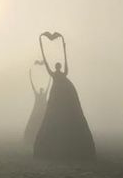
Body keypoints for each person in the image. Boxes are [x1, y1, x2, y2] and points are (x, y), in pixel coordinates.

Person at [33, 33, 95, 161]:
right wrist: (44, 54)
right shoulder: (56, 75)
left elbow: (64, 66)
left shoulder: (59, 75)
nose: (57, 67)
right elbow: (48, 66)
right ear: (57, 67)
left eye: (58, 66)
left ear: (59, 67)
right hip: (56, 100)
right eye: (57, 66)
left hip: (63, 100)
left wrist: (65, 50)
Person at [23, 69, 49, 148]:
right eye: (41, 90)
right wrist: (30, 77)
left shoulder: (44, 95)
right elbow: (33, 87)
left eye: (42, 90)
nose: (41, 91)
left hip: (42, 113)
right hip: (38, 112)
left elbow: (48, 87)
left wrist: (50, 80)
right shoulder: (38, 95)